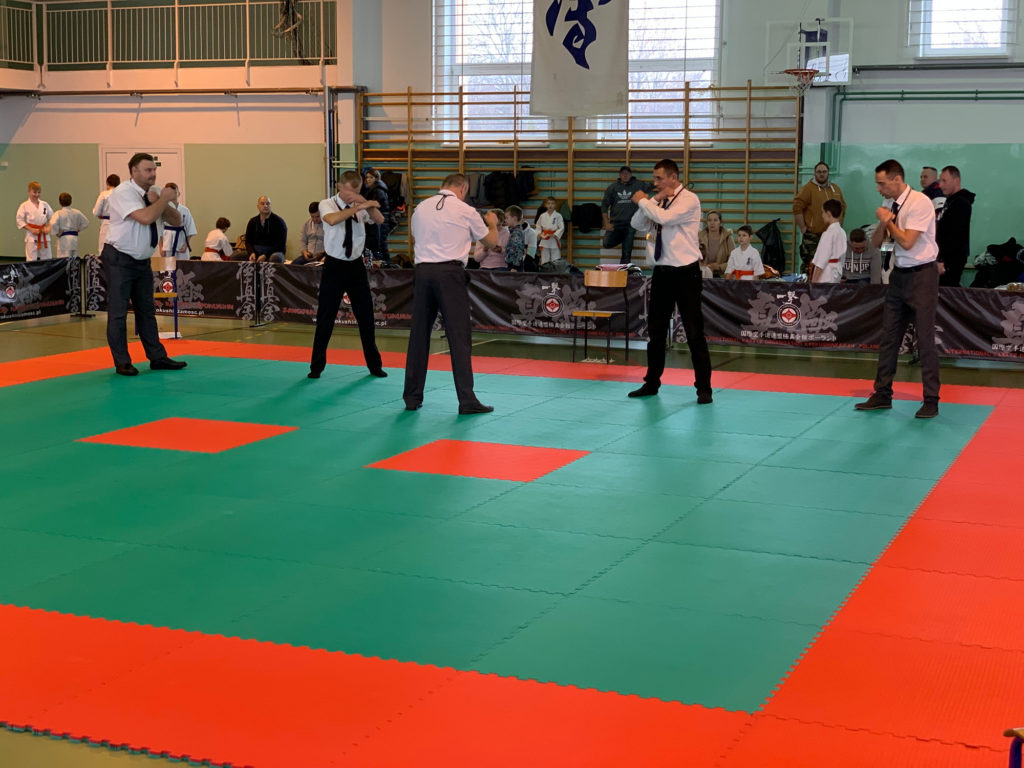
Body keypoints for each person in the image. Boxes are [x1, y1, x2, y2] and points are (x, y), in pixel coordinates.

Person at [403, 172, 499, 414]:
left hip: (423, 272)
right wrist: (493, 223)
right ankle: (467, 400)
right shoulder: (465, 210)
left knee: (418, 336)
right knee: (458, 337)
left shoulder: (421, 208)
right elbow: (491, 243)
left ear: (442, 185)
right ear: (464, 189)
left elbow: (416, 236)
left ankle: (412, 397)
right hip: (449, 274)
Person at [855, 159, 940, 419]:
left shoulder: (920, 202)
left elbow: (908, 241)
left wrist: (889, 222)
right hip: (899, 275)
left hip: (922, 276)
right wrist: (883, 222)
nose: (879, 189)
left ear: (896, 179)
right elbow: (877, 243)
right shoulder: (888, 203)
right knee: (889, 336)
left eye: (882, 183)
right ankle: (882, 393)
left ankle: (931, 399)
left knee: (924, 339)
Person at [626, 158, 712, 404]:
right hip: (662, 273)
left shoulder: (689, 199)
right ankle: (651, 383)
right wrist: (652, 199)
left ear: (673, 178)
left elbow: (665, 219)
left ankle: (704, 388)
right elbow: (636, 223)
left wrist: (642, 200)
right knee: (656, 331)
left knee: (694, 332)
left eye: (659, 178)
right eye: (654, 178)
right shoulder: (659, 202)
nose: (655, 182)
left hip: (686, 273)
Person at [102, 152, 187, 376]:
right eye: (148, 170)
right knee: (118, 312)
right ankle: (122, 361)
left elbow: (177, 220)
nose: (153, 174)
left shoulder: (155, 192)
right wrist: (162, 200)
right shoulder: (123, 192)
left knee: (147, 310)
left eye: (154, 170)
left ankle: (157, 357)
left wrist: (161, 200)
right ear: (134, 171)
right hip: (119, 258)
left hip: (141, 261)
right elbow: (146, 218)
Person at [309, 171, 388, 380]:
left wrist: (367, 204)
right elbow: (332, 220)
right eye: (350, 191)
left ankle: (374, 365)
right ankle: (316, 366)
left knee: (366, 317)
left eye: (357, 191)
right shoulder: (327, 204)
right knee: (325, 317)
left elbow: (379, 219)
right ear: (340, 187)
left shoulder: (360, 204)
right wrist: (357, 207)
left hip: (356, 266)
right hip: (334, 266)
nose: (353, 195)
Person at [793, 161, 845, 274]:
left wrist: (839, 226)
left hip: (832, 235)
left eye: (824, 172)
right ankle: (808, 284)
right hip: (813, 236)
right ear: (815, 173)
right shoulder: (807, 189)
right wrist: (803, 227)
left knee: (829, 265)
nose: (822, 174)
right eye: (819, 172)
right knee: (811, 265)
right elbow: (797, 207)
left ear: (828, 173)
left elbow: (843, 207)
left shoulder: (835, 189)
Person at [601, 166, 650, 264]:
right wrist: (606, 223)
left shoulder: (638, 185)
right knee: (606, 243)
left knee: (626, 255)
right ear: (620, 175)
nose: (625, 175)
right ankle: (624, 238)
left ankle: (624, 272)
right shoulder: (613, 187)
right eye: (623, 173)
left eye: (627, 173)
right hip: (615, 223)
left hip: (630, 224)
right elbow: (604, 205)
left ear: (630, 174)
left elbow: (655, 186)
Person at [935, 165, 975, 288]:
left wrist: (943, 261)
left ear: (956, 180)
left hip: (950, 261)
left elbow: (955, 236)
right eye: (940, 181)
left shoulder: (961, 203)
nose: (940, 185)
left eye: (944, 181)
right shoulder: (950, 201)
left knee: (946, 293)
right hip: (943, 258)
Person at [809, 199, 846, 284]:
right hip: (837, 271)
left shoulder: (828, 233)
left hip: (826, 274)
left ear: (828, 214)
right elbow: (843, 257)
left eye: (823, 212)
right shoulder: (842, 232)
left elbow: (822, 259)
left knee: (822, 293)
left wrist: (814, 280)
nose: (822, 215)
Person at [361, 168, 392, 265]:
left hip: (378, 222)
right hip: (379, 221)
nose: (368, 179)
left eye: (371, 177)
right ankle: (385, 265)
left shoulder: (377, 191)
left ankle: (384, 265)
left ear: (376, 178)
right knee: (381, 245)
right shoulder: (375, 190)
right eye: (367, 177)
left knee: (378, 246)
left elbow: (374, 208)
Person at [16, 182, 53, 261]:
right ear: (29, 191)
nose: (37, 195)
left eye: (39, 192)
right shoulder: (24, 205)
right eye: (34, 192)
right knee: (31, 260)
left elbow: (53, 218)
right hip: (31, 235)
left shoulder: (45, 204)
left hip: (44, 234)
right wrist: (31, 229)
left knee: (47, 259)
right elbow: (19, 220)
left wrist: (48, 227)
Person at [159, 183, 197, 260]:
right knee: (168, 266)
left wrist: (186, 244)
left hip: (181, 243)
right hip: (167, 244)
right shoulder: (162, 210)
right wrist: (160, 247)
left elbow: (190, 228)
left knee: (183, 265)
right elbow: (159, 230)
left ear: (178, 193)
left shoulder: (185, 210)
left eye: (174, 192)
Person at [245, 195, 287, 262]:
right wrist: (251, 253)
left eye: (268, 204)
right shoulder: (252, 221)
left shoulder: (279, 222)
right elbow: (248, 241)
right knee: (236, 256)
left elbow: (281, 244)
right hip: (256, 251)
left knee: (275, 257)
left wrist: (265, 255)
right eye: (262, 204)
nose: (265, 206)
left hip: (274, 252)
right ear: (258, 206)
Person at [50, 193, 89, 260]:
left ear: (60, 202)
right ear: (71, 201)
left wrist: (57, 233)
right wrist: (78, 229)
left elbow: (53, 223)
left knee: (64, 260)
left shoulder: (58, 213)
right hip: (74, 239)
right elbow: (86, 222)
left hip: (64, 239)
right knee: (74, 259)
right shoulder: (77, 212)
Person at [698, 210, 735, 277]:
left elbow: (734, 260)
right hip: (703, 274)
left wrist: (719, 267)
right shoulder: (700, 236)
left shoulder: (728, 237)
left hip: (723, 275)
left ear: (720, 223)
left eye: (715, 220)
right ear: (707, 223)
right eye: (709, 220)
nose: (712, 223)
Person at [535, 197, 565, 270]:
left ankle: (556, 275)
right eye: (548, 203)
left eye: (552, 203)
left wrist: (554, 235)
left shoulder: (558, 216)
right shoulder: (542, 216)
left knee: (556, 260)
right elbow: (538, 226)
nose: (550, 205)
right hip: (544, 239)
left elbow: (562, 227)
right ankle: (545, 274)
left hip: (554, 239)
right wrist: (539, 234)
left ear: (555, 205)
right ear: (545, 205)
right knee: (544, 260)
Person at [93, 174, 120, 251]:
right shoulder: (122, 195)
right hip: (119, 224)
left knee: (103, 249)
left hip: (106, 224)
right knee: (117, 249)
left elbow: (96, 212)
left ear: (107, 183)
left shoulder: (104, 194)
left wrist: (100, 214)